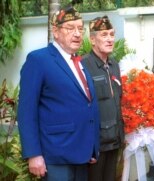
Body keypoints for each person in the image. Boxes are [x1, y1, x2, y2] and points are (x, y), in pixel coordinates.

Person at [17, 5, 100, 181]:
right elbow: (26, 111)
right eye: (70, 28)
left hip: (82, 155)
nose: (77, 34)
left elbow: (88, 105)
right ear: (55, 31)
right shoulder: (39, 60)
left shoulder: (80, 63)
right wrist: (33, 154)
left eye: (80, 28)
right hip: (55, 156)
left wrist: (92, 146)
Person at [82, 16, 124, 181]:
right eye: (104, 35)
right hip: (96, 145)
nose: (110, 39)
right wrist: (88, 145)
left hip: (114, 140)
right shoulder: (84, 65)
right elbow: (82, 108)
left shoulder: (114, 65)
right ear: (92, 40)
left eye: (112, 35)